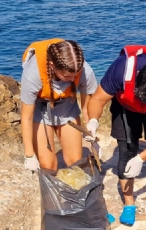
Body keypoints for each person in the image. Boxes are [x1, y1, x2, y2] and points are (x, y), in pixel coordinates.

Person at [86, 45, 146, 226]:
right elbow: (98, 99)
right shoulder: (121, 69)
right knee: (126, 152)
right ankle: (129, 204)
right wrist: (93, 121)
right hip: (126, 108)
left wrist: (142, 157)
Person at [19, 38, 97, 172]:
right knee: (47, 165)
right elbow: (26, 118)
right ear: (51, 65)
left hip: (67, 106)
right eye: (67, 76)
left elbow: (87, 106)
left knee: (76, 162)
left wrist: (91, 126)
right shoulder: (33, 74)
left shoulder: (85, 71)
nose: (73, 80)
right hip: (41, 109)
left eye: (75, 75)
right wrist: (29, 155)